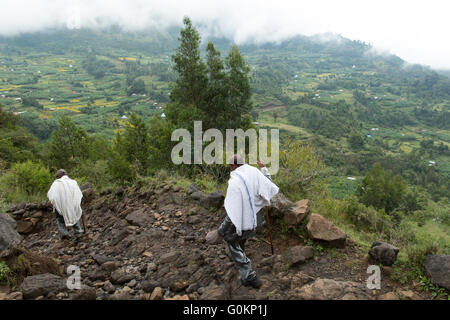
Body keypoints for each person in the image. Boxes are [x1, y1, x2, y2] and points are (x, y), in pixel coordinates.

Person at [206, 155, 279, 289]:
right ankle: (239, 253)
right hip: (258, 220)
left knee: (230, 238)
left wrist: (220, 232)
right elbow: (268, 184)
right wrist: (263, 169)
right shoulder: (254, 172)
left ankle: (249, 275)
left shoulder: (235, 182)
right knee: (240, 235)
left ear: (233, 166)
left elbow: (232, 215)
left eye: (230, 167)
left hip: (247, 222)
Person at [47, 169, 84, 240]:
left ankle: (65, 234)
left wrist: (57, 204)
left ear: (59, 176)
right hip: (73, 205)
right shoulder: (73, 182)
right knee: (75, 217)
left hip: (61, 206)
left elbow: (52, 196)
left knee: (60, 220)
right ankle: (79, 232)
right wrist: (76, 203)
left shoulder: (56, 183)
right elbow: (79, 194)